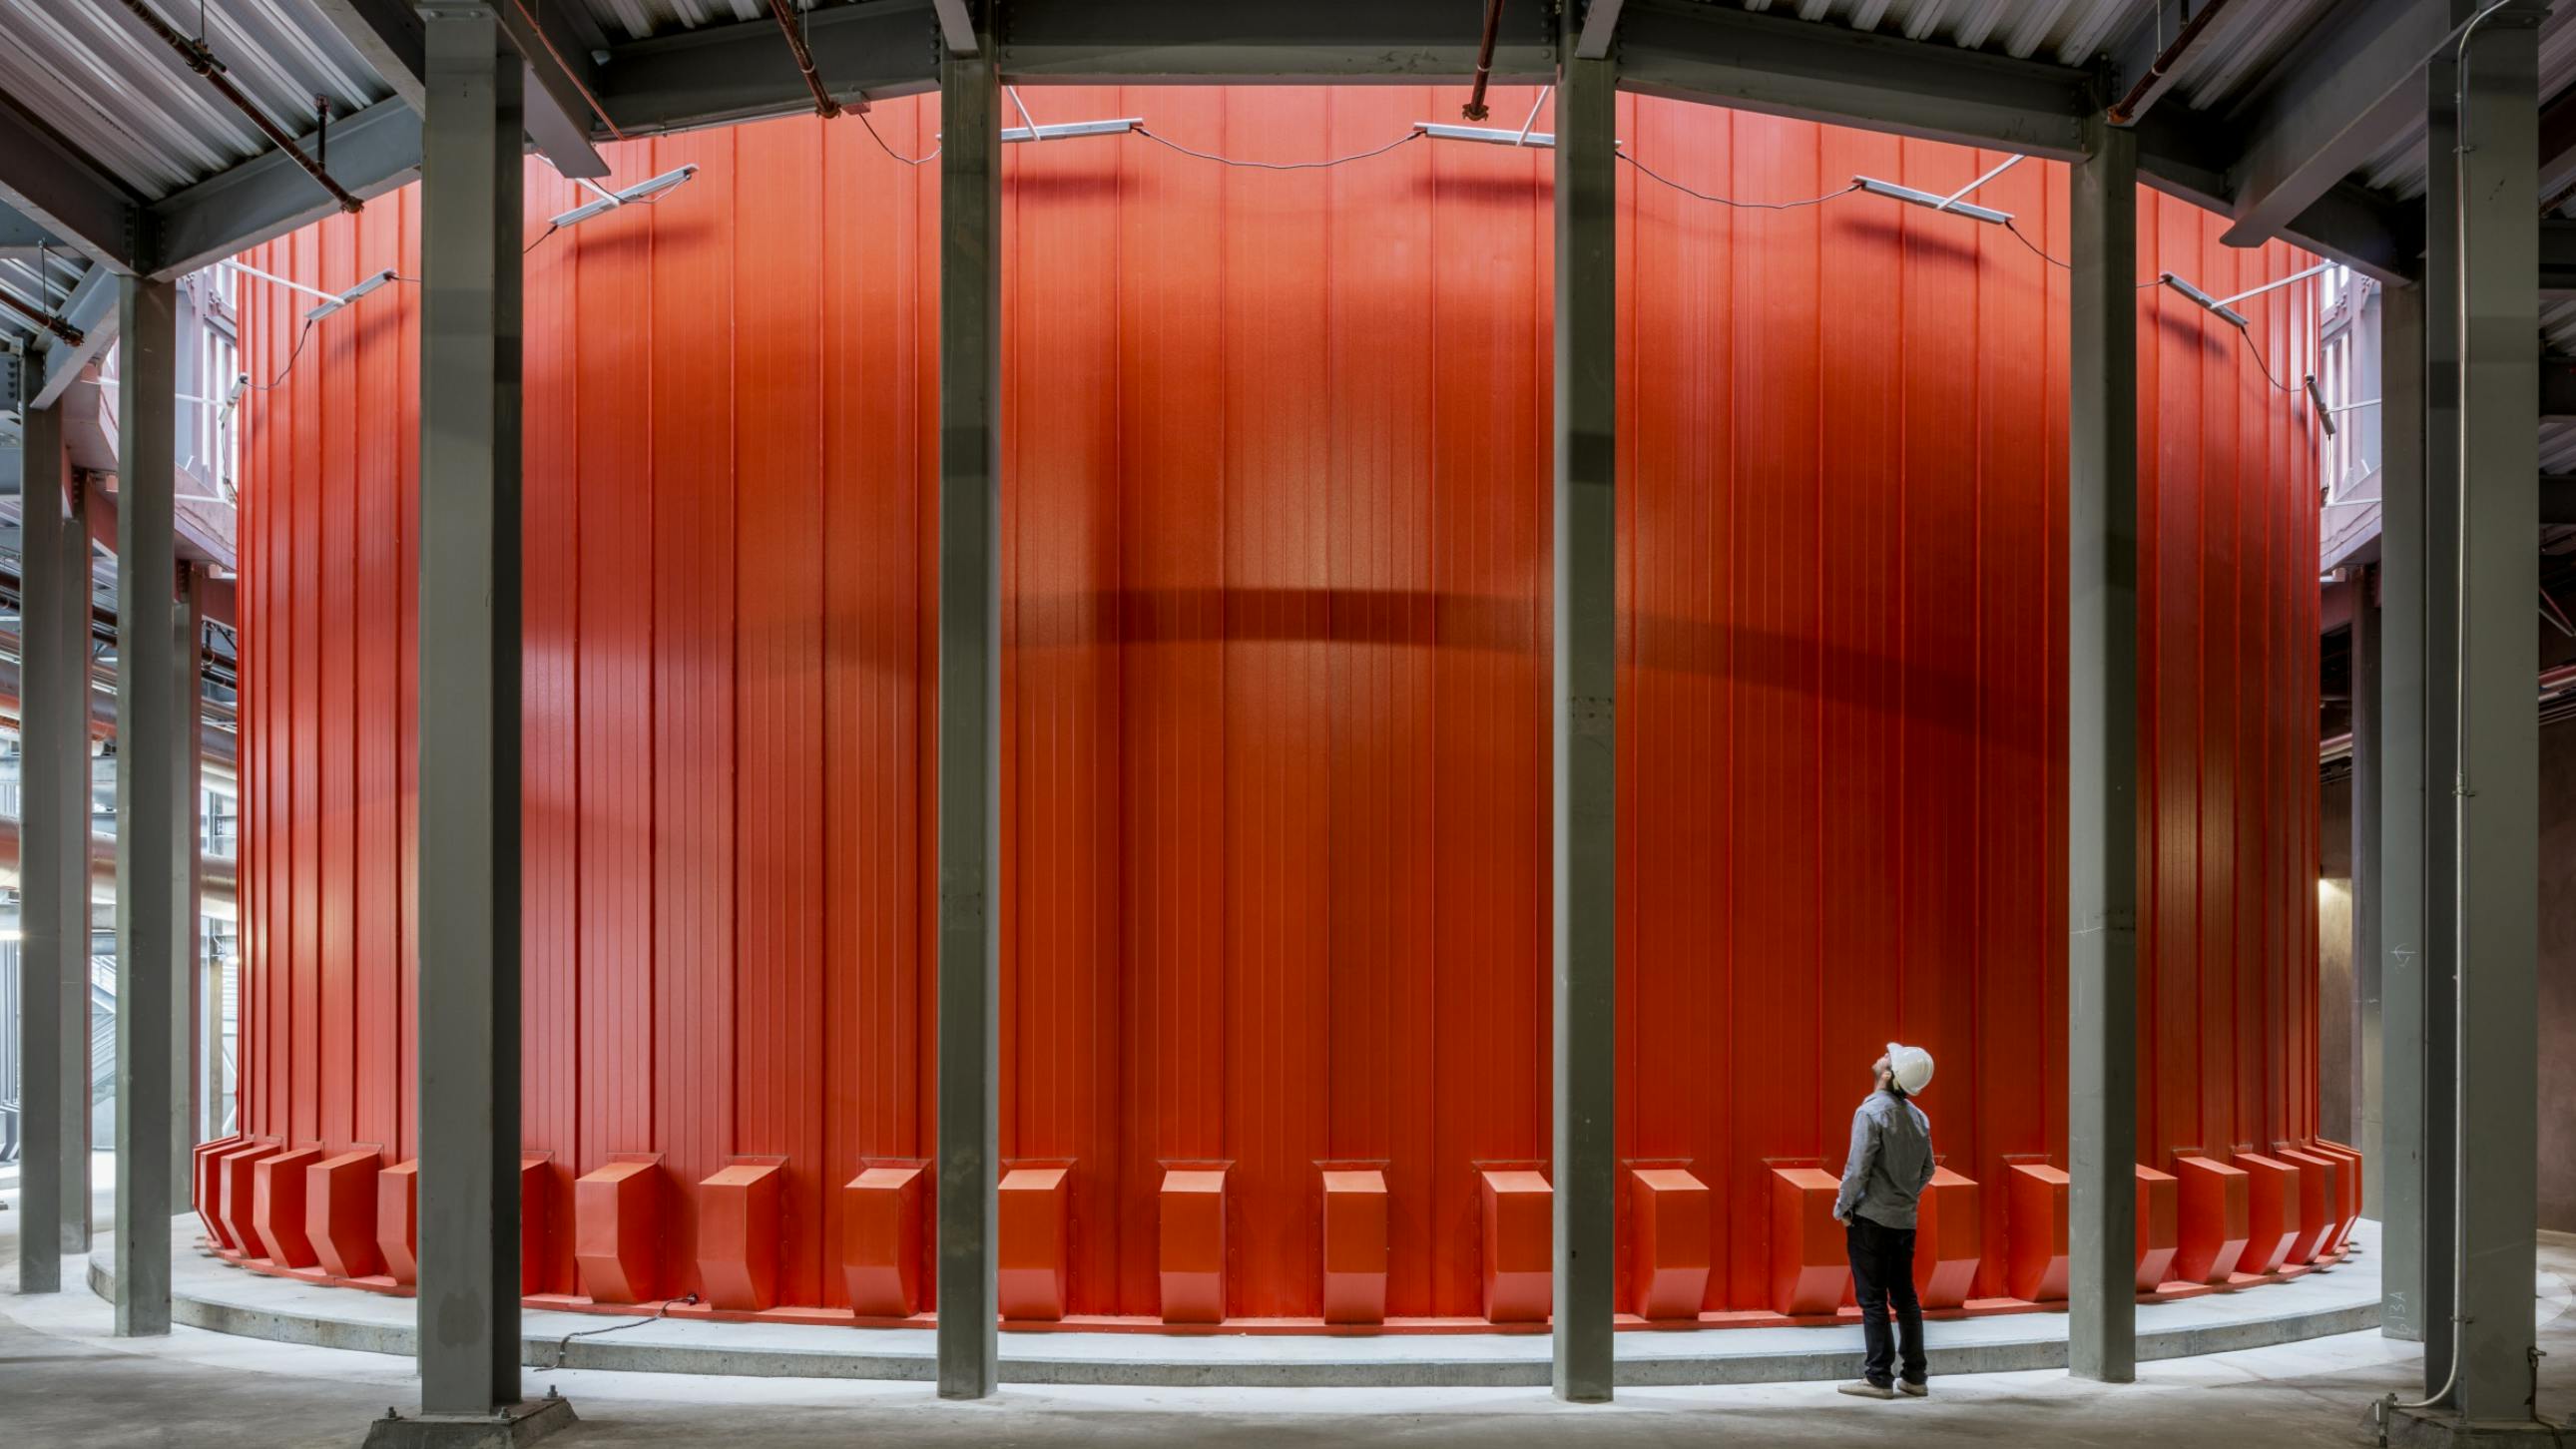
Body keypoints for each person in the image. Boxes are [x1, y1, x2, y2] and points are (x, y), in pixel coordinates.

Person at [1833, 1042, 1937, 1400]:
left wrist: (1843, 1208)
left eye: (1887, 1058)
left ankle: (1878, 1377)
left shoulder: (1870, 1114)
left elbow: (1856, 1170)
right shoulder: (1919, 1118)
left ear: (1888, 1074)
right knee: (1905, 1298)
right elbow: (1929, 1169)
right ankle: (1915, 1376)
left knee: (1873, 1299)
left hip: (1871, 1220)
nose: (1882, 1055)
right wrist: (1905, 1196)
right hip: (1904, 1220)